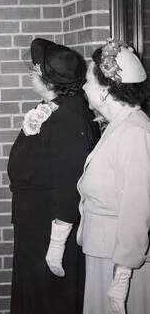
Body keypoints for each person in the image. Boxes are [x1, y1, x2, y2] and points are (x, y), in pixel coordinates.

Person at [7, 38, 100, 314]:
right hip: (36, 223)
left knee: (49, 301)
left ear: (49, 80)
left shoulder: (70, 116)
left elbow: (70, 183)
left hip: (51, 229)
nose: (30, 74)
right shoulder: (55, 107)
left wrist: (56, 245)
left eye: (35, 70)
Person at [77, 38, 150, 314]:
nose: (83, 87)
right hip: (103, 252)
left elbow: (137, 207)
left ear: (106, 91)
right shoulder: (119, 126)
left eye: (88, 81)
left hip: (120, 261)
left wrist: (122, 276)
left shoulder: (134, 132)